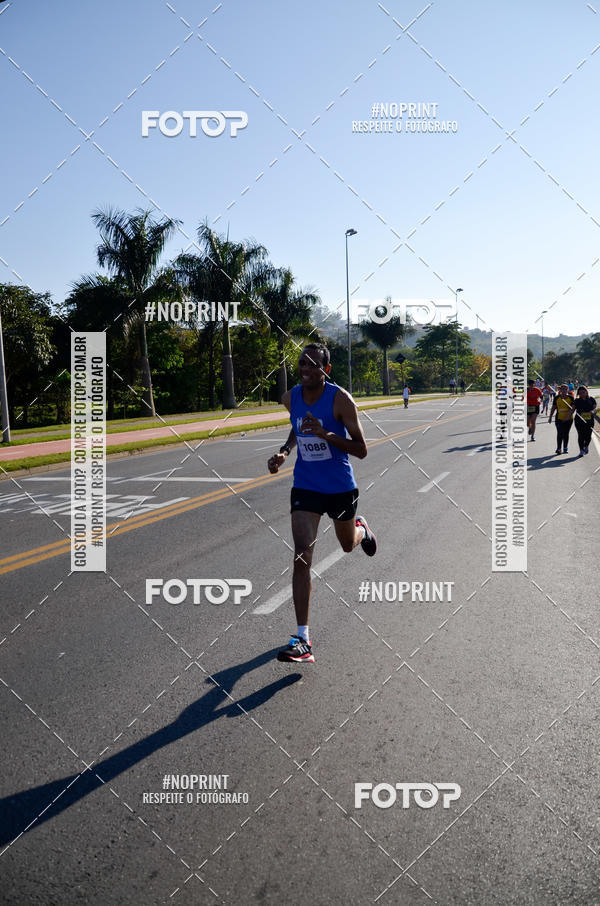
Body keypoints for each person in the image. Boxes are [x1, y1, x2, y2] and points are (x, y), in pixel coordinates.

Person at [267, 343, 377, 663]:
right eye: (302, 362)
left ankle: (361, 529)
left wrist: (326, 433)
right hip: (306, 486)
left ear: (326, 370)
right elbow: (295, 425)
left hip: (340, 487)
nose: (306, 368)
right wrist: (285, 453)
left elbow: (361, 449)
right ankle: (303, 639)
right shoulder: (292, 397)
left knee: (346, 545)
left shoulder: (341, 400)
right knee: (302, 556)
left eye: (314, 364)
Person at [548, 384, 574, 454]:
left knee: (566, 433)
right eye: (562, 389)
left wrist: (568, 417)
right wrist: (550, 417)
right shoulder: (557, 398)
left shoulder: (571, 398)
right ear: (560, 390)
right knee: (560, 433)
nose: (564, 391)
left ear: (568, 390)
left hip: (569, 419)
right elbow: (553, 408)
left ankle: (565, 447)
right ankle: (559, 448)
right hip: (559, 418)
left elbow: (573, 409)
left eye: (565, 389)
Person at [572, 385, 597, 456]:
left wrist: (592, 411)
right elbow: (572, 410)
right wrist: (567, 417)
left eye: (583, 392)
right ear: (578, 394)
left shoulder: (591, 399)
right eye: (580, 393)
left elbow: (595, 408)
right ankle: (581, 450)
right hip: (579, 421)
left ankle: (586, 446)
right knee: (581, 435)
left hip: (589, 421)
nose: (582, 394)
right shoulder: (576, 401)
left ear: (586, 392)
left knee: (588, 435)